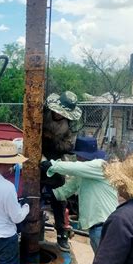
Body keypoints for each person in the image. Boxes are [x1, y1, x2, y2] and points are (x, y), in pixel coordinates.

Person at [40, 136, 118, 253]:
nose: (76, 157)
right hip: (96, 228)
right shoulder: (83, 174)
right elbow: (66, 190)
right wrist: (50, 194)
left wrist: (51, 165)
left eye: (78, 155)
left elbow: (73, 167)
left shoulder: (100, 166)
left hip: (106, 227)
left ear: (81, 155)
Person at [42, 91, 82, 252]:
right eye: (58, 111)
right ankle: (25, 229)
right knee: (30, 194)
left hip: (56, 159)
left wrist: (53, 141)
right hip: (36, 153)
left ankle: (61, 233)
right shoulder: (44, 113)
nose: (59, 114)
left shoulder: (68, 126)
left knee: (59, 197)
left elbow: (69, 146)